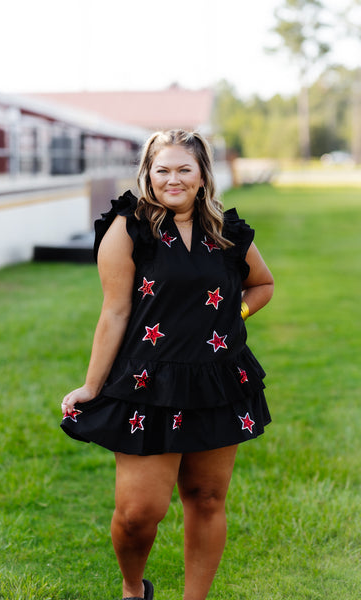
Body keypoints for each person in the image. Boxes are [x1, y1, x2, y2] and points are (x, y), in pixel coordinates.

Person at [61, 129, 274, 600]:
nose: (173, 179)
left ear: (202, 176)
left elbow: (262, 285)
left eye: (184, 169)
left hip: (217, 381)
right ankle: (134, 590)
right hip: (147, 382)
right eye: (163, 170)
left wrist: (228, 314)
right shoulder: (129, 227)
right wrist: (91, 386)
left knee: (206, 498)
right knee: (139, 512)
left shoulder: (228, 232)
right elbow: (114, 312)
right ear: (148, 175)